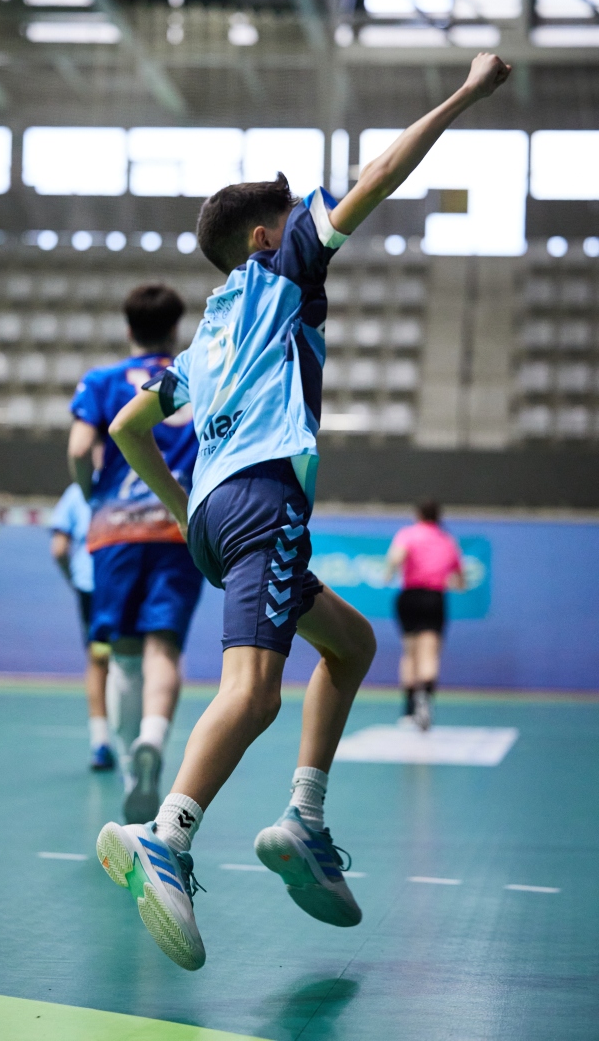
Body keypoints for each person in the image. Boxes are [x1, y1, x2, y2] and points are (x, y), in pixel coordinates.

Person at [95, 52, 512, 971]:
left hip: (217, 511)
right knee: (253, 691)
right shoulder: (280, 271)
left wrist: (187, 513)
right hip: (263, 498)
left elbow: (128, 427)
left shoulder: (205, 338)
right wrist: (467, 92)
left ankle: (304, 821)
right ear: (263, 238)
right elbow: (380, 177)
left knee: (351, 644)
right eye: (289, 217)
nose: (304, 222)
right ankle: (165, 837)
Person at [68, 283, 204, 824]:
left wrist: (90, 493)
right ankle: (153, 736)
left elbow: (80, 449)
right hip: (178, 525)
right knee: (163, 648)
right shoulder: (198, 375)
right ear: (175, 329)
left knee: (123, 654)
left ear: (129, 329)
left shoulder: (101, 381)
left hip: (115, 533)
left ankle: (131, 767)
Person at [50, 481, 114, 770]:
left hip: (90, 591)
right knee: (132, 660)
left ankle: (100, 742)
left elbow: (59, 549)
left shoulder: (76, 493)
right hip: (126, 583)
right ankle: (138, 741)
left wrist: (74, 579)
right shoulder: (132, 480)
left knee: (98, 661)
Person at [385, 500, 465, 731]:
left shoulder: (408, 534)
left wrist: (389, 573)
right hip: (434, 599)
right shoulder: (447, 540)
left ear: (418, 514)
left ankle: (409, 711)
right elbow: (460, 580)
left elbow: (396, 557)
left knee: (410, 653)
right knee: (429, 654)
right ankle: (425, 699)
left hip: (410, 597)